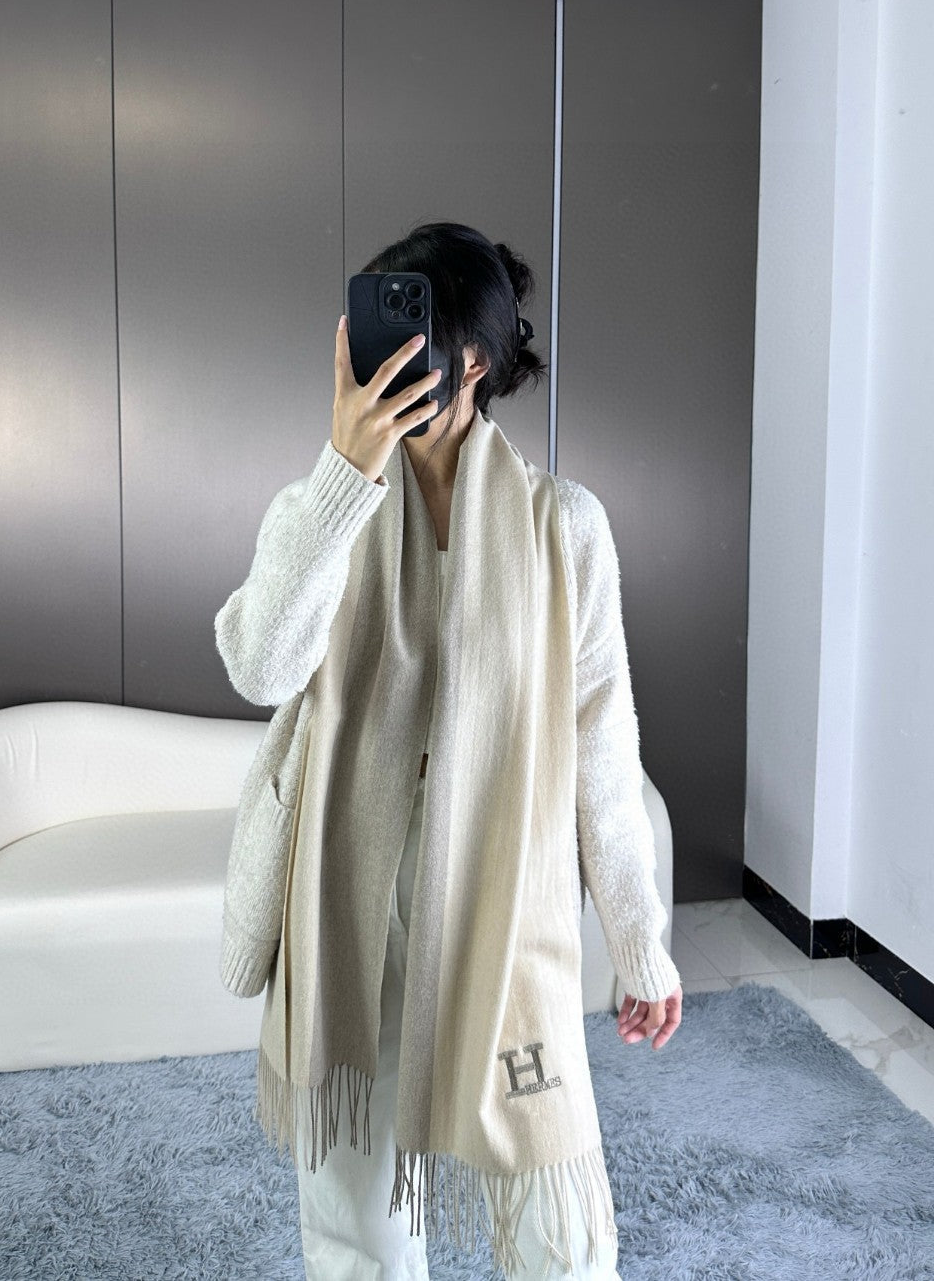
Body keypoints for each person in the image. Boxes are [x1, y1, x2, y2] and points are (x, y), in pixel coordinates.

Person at [215, 221, 683, 1280]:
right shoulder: (323, 509)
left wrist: (640, 943)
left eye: (415, 328)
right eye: (375, 326)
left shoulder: (565, 527)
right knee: (356, 1225)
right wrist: (344, 475)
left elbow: (602, 747)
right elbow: (258, 666)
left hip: (502, 898)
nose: (387, 355)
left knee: (560, 1234)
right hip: (348, 895)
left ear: (473, 359)